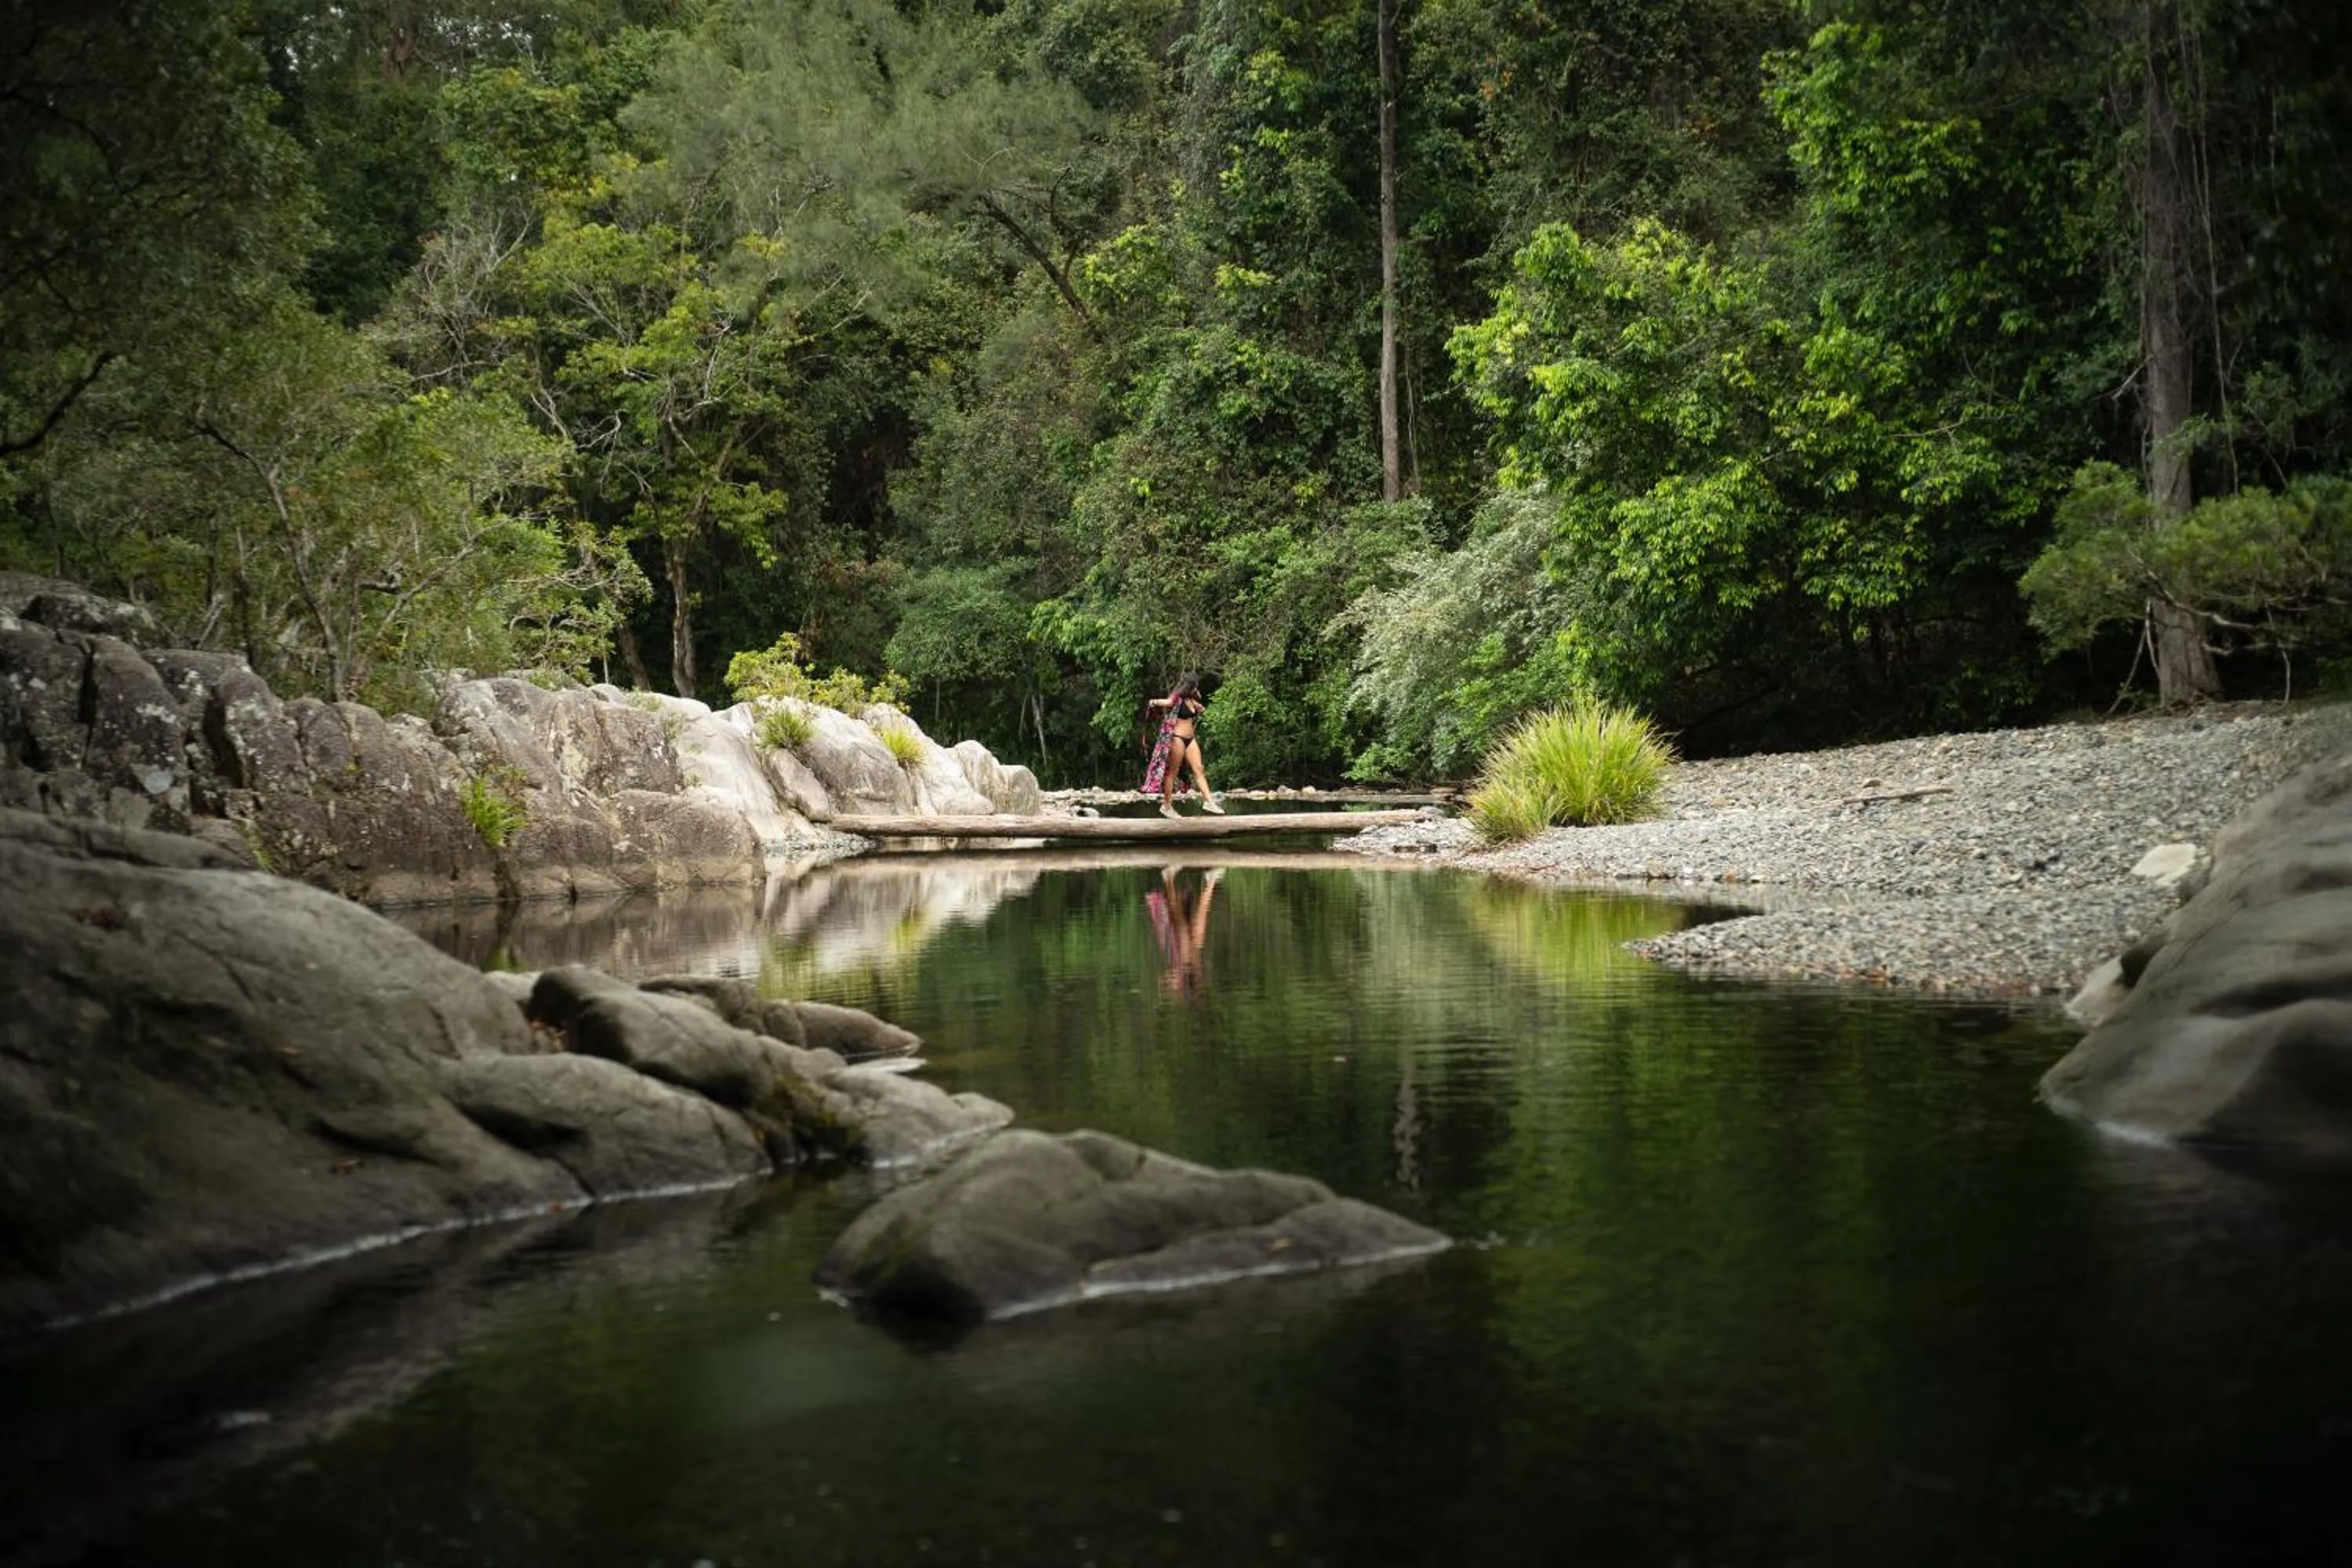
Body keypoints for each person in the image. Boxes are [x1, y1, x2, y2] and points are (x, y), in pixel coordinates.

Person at [1142, 672, 1223, 818]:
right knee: (1172, 772)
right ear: (1189, 686)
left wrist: (1199, 708)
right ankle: (1166, 806)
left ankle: (1209, 802)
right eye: (1195, 685)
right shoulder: (1177, 697)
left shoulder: (1191, 699)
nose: (1197, 687)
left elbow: (1199, 708)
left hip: (1190, 739)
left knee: (1199, 769)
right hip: (1177, 738)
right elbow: (1167, 702)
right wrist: (1153, 702)